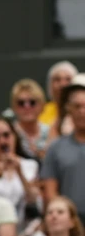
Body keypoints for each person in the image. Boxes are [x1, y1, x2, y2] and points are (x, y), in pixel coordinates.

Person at [43, 84, 85, 215]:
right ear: (68, 109)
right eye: (77, 106)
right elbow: (50, 192)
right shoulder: (56, 148)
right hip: (71, 222)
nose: (82, 111)